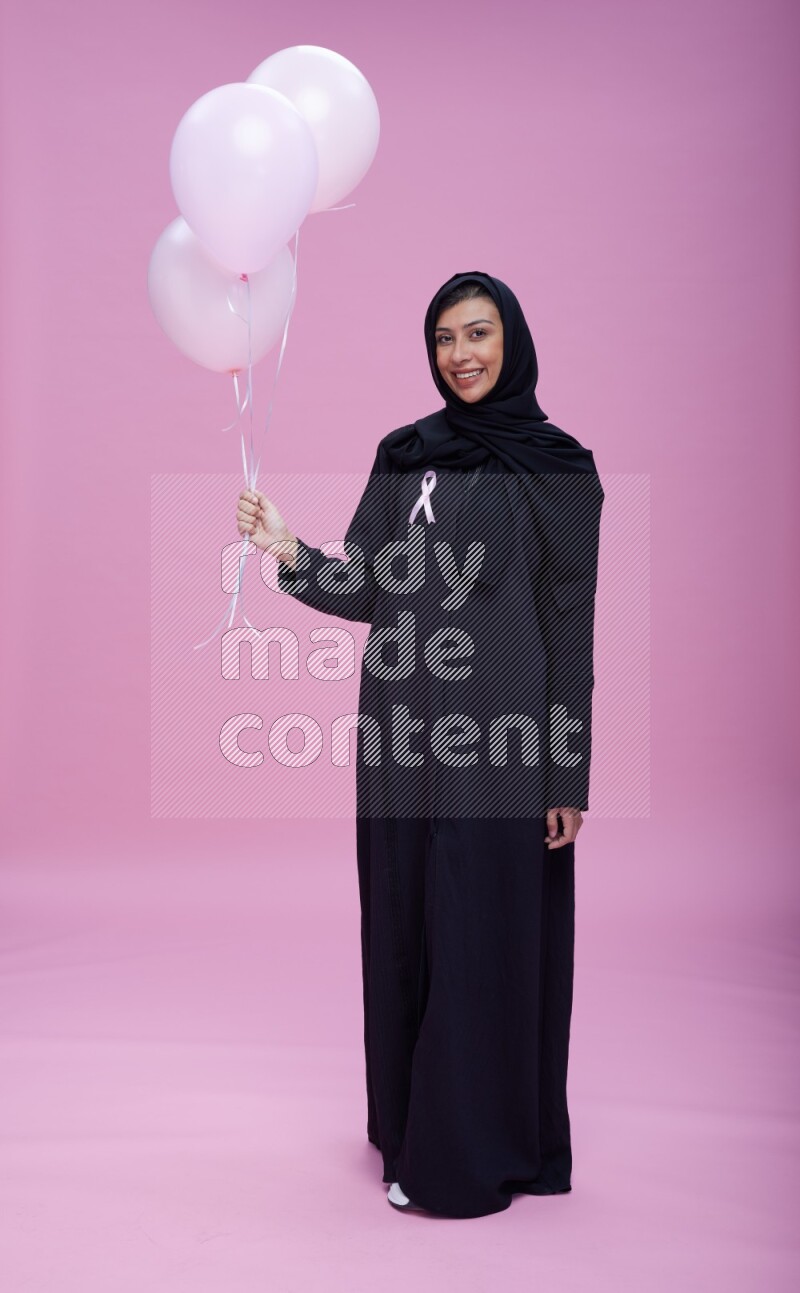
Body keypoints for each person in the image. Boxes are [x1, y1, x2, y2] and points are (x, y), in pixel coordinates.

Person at [236, 271, 604, 1219]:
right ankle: (410, 1128)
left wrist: (568, 773)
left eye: (478, 334)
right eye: (444, 339)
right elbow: (366, 585)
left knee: (481, 939)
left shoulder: (559, 468)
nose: (461, 355)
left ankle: (466, 1158)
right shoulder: (406, 454)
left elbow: (571, 626)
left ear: (511, 340)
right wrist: (288, 550)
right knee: (407, 927)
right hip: (400, 736)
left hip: (505, 750)